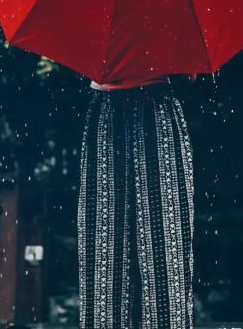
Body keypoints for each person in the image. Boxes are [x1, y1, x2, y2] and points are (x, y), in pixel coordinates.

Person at [77, 72, 197, 328]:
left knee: (108, 259)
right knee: (163, 254)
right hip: (148, 108)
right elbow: (189, 74)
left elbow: (82, 65)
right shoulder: (170, 31)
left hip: (117, 109)